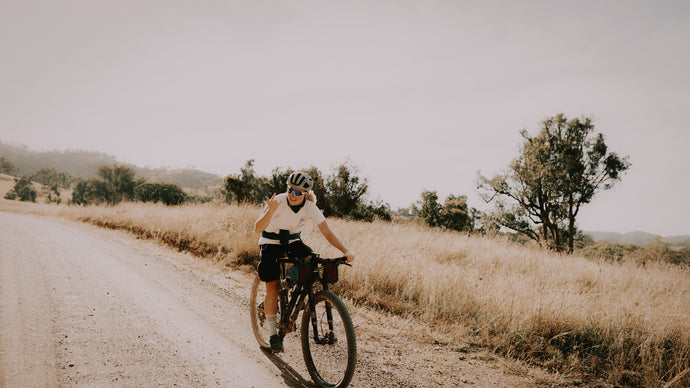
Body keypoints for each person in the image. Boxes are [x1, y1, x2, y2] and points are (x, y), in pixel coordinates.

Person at [254, 171, 354, 353]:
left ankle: (293, 287)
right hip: (270, 241)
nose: (293, 195)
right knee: (273, 287)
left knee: (312, 262)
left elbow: (328, 232)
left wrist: (345, 250)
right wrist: (270, 211)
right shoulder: (278, 201)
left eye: (299, 192)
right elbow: (257, 229)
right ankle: (272, 335)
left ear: (306, 194)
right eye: (291, 190)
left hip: (293, 241)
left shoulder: (309, 207)